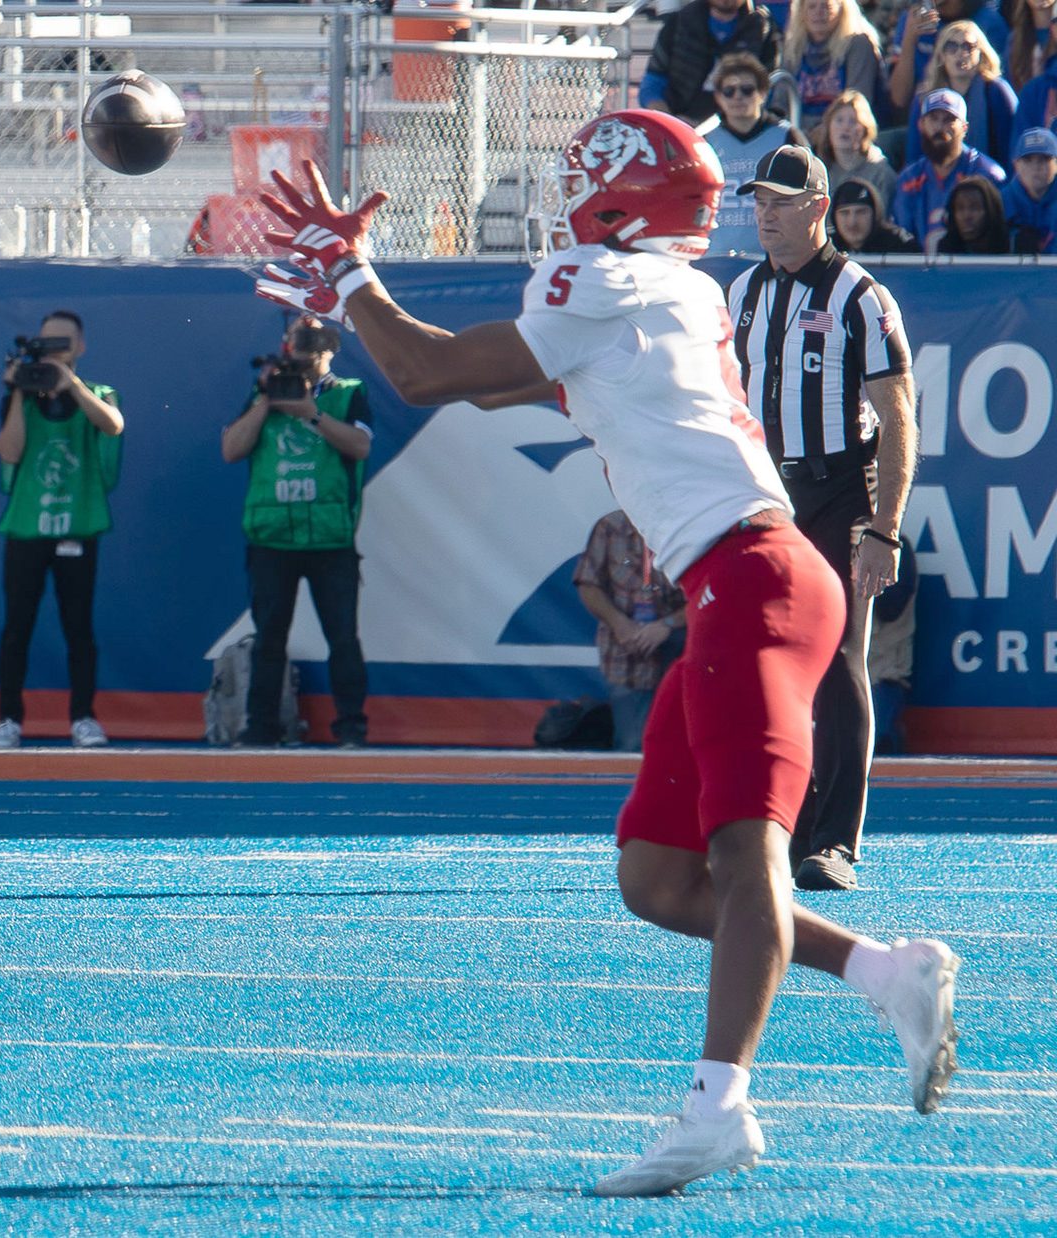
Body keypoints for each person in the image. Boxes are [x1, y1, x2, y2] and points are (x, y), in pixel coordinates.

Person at [254, 113, 957, 1196]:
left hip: (754, 580)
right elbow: (482, 379)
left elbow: (430, 372)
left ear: (622, 201)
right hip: (741, 583)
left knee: (744, 854)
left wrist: (351, 279)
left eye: (582, 180)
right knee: (658, 877)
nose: (563, 199)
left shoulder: (616, 287)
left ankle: (719, 1103)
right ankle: (883, 969)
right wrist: (360, 300)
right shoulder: (656, 294)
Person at [726, 145, 919, 892]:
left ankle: (835, 840)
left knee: (839, 657)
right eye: (759, 202)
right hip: (767, 493)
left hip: (840, 488)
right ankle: (787, 824)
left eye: (779, 202)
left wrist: (885, 528)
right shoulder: (743, 291)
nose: (765, 214)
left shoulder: (860, 297)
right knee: (765, 662)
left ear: (818, 209)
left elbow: (899, 420)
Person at [220, 315, 372, 748]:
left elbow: (360, 447)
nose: (302, 359)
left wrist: (312, 413)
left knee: (343, 637)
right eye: (295, 348)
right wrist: (266, 401)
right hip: (272, 537)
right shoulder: (260, 394)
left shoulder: (348, 394)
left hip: (330, 537)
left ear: (329, 352)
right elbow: (231, 450)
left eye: (311, 351)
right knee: (269, 638)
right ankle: (261, 728)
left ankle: (351, 729)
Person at [0, 310, 123, 751]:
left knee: (78, 628)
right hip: (27, 530)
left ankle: (84, 718)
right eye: (46, 344)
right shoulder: (20, 395)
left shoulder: (98, 393)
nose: (54, 351)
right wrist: (16, 393)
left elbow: (112, 425)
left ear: (80, 347)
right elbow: (9, 452)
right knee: (17, 629)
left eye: (63, 344)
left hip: (77, 528)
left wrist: (71, 384)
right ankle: (8, 719)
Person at [573, 511, 688, 752]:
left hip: (679, 657)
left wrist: (666, 626)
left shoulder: (687, 527)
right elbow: (588, 584)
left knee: (678, 747)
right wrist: (620, 624)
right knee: (632, 746)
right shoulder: (609, 527)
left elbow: (706, 593)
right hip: (626, 657)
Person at [704, 54, 811, 252]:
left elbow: (808, 197)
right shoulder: (704, 143)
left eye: (747, 90)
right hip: (715, 259)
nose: (738, 97)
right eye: (729, 91)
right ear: (718, 97)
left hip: (772, 259)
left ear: (763, 93)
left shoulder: (787, 137)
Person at [892, 88, 1008, 251]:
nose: (940, 127)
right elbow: (902, 237)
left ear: (965, 127)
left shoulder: (988, 174)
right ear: (921, 125)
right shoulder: (908, 179)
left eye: (949, 120)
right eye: (934, 119)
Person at [641, 0, 783, 125]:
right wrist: (670, 121)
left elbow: (769, 89)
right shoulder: (678, 23)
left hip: (737, 127)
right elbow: (652, 84)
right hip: (677, 121)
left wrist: (719, 124)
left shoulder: (763, 29)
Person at [905, 21, 1017, 167]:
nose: (960, 53)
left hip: (986, 181)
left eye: (968, 47)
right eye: (951, 47)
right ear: (941, 54)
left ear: (981, 53)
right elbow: (913, 159)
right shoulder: (925, 98)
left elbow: (1012, 150)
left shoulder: (997, 90)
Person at [888, 0, 1009, 117]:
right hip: (926, 116)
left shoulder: (989, 21)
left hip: (977, 115)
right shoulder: (914, 20)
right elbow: (899, 99)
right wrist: (909, 39)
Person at [783, 0, 888, 119]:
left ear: (842, 10)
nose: (819, 12)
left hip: (846, 128)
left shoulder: (859, 45)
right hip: (800, 129)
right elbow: (780, 102)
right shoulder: (793, 48)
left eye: (826, 6)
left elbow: (857, 101)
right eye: (812, 7)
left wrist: (823, 130)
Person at [868, 533, 917, 753]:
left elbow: (891, 608)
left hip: (882, 679)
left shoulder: (896, 546)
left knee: (875, 743)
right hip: (832, 680)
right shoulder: (826, 538)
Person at [812, 89, 901, 206]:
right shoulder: (819, 171)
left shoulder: (881, 173)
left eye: (853, 122)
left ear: (865, 130)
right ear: (828, 127)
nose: (845, 128)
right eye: (839, 120)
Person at [938, 173, 1042, 249]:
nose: (966, 216)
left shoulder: (1020, 243)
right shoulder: (946, 250)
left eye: (975, 208)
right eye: (960, 208)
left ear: (991, 210)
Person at [829, 177, 924, 250]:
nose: (852, 221)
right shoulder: (824, 245)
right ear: (834, 217)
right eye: (844, 213)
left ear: (875, 214)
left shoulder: (899, 244)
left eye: (861, 212)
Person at [1001, 125, 1057, 249]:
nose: (1036, 166)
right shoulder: (1001, 202)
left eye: (1044, 159)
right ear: (1016, 164)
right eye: (1028, 159)